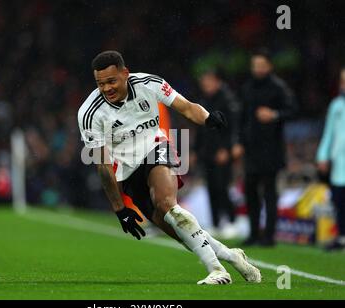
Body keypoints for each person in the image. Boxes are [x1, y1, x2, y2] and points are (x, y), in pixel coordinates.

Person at [77, 50, 261, 285]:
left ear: (125, 73)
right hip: (126, 170)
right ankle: (230, 255)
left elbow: (185, 106)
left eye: (111, 81)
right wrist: (119, 209)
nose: (106, 88)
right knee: (177, 229)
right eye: (100, 84)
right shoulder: (89, 113)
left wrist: (207, 118)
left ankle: (216, 270)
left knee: (167, 204)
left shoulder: (149, 83)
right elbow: (102, 165)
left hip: (156, 148)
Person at [235, 48, 298, 247]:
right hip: (252, 150)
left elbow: (293, 110)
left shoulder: (278, 87)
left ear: (269, 66)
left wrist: (274, 115)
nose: (258, 69)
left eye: (262, 65)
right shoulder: (247, 88)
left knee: (270, 193)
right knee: (251, 192)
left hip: (271, 150)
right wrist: (238, 142)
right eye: (255, 65)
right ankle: (254, 233)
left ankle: (269, 236)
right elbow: (241, 118)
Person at [194, 69, 241, 232]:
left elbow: (232, 126)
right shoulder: (204, 100)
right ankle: (215, 223)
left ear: (217, 81)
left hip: (222, 151)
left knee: (222, 186)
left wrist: (227, 148)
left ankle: (232, 221)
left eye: (208, 81)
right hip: (207, 151)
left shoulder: (227, 100)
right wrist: (195, 150)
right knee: (211, 188)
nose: (205, 85)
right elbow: (200, 128)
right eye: (204, 82)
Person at [316, 67, 345, 251]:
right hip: (339, 164)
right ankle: (342, 236)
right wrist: (323, 156)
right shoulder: (336, 105)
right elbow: (328, 133)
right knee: (339, 200)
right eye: (342, 81)